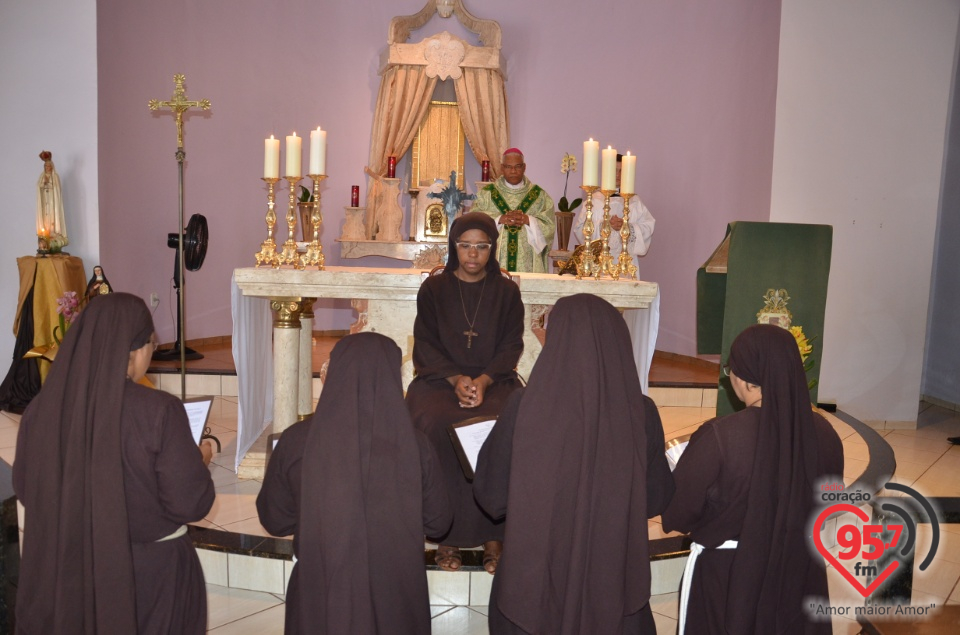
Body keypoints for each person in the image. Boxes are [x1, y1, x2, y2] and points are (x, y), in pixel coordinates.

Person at [13, 292, 215, 634]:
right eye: (151, 343)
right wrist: (202, 456)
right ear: (133, 350)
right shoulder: (159, 410)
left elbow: (26, 488)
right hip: (151, 576)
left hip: (71, 567)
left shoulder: (40, 410)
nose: (151, 351)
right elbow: (191, 503)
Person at [473, 293, 675, 634]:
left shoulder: (524, 405)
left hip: (534, 584)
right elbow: (656, 498)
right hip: (613, 580)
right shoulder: (641, 411)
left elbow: (492, 496)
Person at [257, 332, 452, 634]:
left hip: (322, 595)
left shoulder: (296, 440)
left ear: (333, 375)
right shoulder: (417, 445)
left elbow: (275, 520)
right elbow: (440, 524)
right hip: (395, 599)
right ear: (392, 379)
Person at [661, 324, 845, 634]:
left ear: (745, 379)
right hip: (800, 569)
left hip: (730, 575)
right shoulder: (826, 433)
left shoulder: (720, 436)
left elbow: (679, 513)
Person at [406, 211, 524, 573]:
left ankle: (495, 535)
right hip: (439, 381)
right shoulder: (434, 289)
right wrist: (455, 379)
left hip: (496, 381)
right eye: (465, 245)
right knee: (437, 425)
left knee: (506, 424)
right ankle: (448, 534)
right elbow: (425, 345)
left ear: (493, 249)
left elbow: (511, 346)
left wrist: (484, 381)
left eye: (482, 246)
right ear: (453, 247)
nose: (473, 254)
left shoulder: (506, 291)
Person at [572, 152, 659, 394]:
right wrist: (602, 227)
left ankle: (620, 371)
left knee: (623, 320)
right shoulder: (595, 199)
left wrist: (627, 227)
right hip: (598, 267)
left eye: (623, 171)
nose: (619, 175)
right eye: (615, 171)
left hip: (624, 267)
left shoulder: (635, 202)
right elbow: (580, 231)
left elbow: (647, 229)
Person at [473, 148, 555, 272]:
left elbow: (549, 226)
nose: (513, 171)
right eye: (508, 167)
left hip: (528, 265)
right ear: (502, 168)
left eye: (517, 166)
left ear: (524, 167)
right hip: (495, 261)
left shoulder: (539, 196)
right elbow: (473, 220)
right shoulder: (487, 194)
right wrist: (499, 219)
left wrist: (529, 220)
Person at [36, 150, 68, 246]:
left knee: (52, 218)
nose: (48, 168)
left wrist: (48, 183)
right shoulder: (42, 177)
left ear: (52, 167)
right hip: (44, 201)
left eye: (49, 166)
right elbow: (38, 187)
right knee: (45, 219)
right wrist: (43, 183)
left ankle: (53, 235)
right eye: (46, 166)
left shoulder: (55, 177)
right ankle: (45, 237)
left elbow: (56, 189)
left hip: (52, 201)